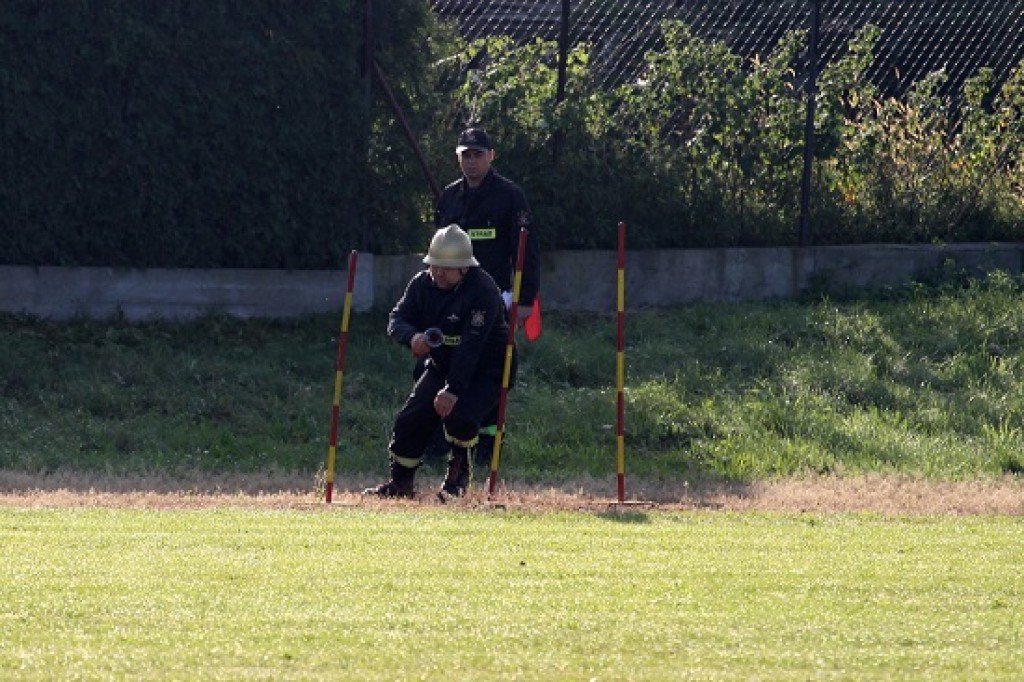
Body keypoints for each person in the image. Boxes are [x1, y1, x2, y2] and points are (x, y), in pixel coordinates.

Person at [364, 225, 514, 501]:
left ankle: (457, 477)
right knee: (411, 419)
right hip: (443, 364)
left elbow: (472, 347)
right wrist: (413, 338)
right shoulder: (422, 283)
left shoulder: (483, 291)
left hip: (487, 370)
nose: (438, 272)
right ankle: (401, 483)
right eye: (434, 265)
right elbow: (397, 319)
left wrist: (453, 390)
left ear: (465, 269)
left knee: (461, 415)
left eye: (446, 267)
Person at [431, 126, 541, 463]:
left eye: (478, 154)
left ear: (490, 156)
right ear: (458, 158)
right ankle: (440, 441)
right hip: (453, 297)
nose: (471, 161)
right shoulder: (449, 196)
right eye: (466, 155)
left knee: (492, 367)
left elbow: (527, 251)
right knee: (445, 363)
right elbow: (435, 250)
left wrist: (524, 300)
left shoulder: (510, 196)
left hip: (495, 297)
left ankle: (488, 446)